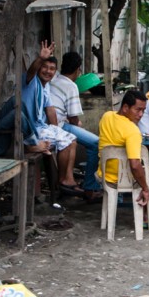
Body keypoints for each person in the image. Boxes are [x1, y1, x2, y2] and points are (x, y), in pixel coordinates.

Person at [98, 90, 149, 227]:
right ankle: (144, 214)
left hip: (104, 175)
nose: (141, 115)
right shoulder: (132, 131)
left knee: (144, 170)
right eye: (138, 110)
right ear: (125, 108)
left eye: (143, 110)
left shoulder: (106, 116)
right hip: (124, 179)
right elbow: (135, 165)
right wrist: (145, 189)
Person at [22, 42, 82, 195]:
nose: (48, 71)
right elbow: (31, 71)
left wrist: (55, 130)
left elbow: (50, 110)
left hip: (42, 127)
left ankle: (67, 179)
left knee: (72, 139)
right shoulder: (31, 80)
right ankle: (61, 181)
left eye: (52, 69)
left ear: (56, 72)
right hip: (31, 129)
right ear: (39, 68)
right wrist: (40, 58)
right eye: (45, 67)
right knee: (65, 142)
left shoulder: (46, 86)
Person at [50, 51, 103, 201]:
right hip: (59, 125)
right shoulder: (70, 86)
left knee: (76, 137)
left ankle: (73, 179)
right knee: (96, 143)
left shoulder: (54, 79)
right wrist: (78, 124)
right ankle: (90, 187)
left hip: (52, 123)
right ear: (78, 69)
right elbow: (74, 119)